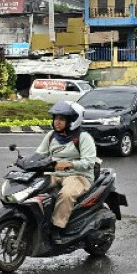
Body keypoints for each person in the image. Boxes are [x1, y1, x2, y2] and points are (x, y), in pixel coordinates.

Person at [36, 100, 96, 244]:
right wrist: (25, 162)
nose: (57, 122)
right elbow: (39, 155)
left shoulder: (83, 137)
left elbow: (89, 162)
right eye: (56, 118)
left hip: (78, 175)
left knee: (66, 194)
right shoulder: (51, 136)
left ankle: (57, 228)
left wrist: (69, 164)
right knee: (33, 187)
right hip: (54, 173)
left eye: (62, 119)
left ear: (72, 120)